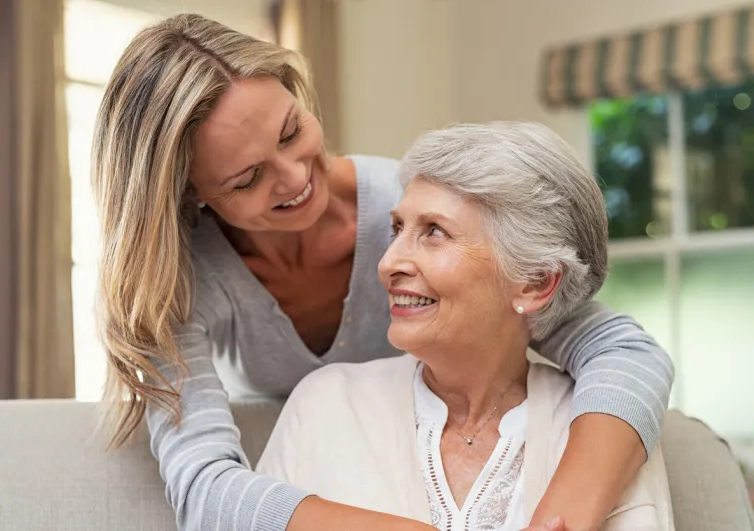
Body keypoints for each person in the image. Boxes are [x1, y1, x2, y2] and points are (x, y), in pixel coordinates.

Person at [91, 13, 674, 531]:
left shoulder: (410, 206)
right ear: (190, 194)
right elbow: (204, 491)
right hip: (295, 478)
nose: (295, 178)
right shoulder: (177, 282)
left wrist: (562, 516)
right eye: (247, 179)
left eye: (292, 132)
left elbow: (618, 348)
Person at [256, 122, 675, 530]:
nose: (387, 263)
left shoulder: (603, 429)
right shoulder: (324, 404)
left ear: (535, 282)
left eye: (434, 232)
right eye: (397, 228)